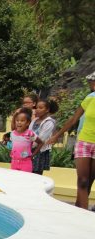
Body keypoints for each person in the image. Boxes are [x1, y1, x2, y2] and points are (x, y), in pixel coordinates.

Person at [47, 71, 95, 209]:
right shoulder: (89, 99)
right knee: (83, 181)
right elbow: (74, 119)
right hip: (84, 142)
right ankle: (83, 215)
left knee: (90, 181)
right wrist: (57, 135)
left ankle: (78, 208)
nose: (92, 84)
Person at [30, 99, 58, 175]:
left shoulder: (49, 122)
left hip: (40, 151)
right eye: (36, 108)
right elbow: (28, 133)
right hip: (29, 149)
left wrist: (31, 146)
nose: (37, 110)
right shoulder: (34, 120)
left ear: (47, 110)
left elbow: (42, 138)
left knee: (36, 174)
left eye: (40, 108)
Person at [9, 107, 36, 173]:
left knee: (25, 181)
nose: (19, 122)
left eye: (22, 121)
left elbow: (40, 142)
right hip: (14, 162)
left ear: (27, 123)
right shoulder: (13, 134)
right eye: (17, 120)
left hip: (26, 162)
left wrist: (33, 154)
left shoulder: (29, 134)